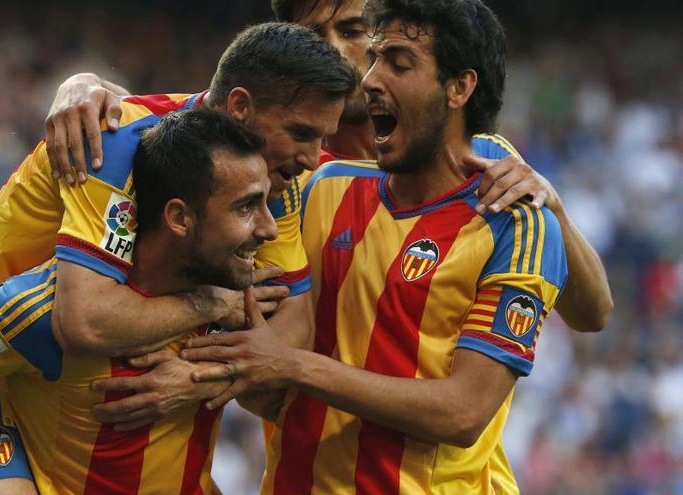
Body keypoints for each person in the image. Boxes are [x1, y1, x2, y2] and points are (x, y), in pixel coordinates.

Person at [0, 22, 356, 494]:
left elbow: (291, 328)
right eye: (301, 133)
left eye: (321, 138)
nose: (311, 157)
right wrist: (215, 304)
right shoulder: (117, 140)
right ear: (239, 106)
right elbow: (85, 320)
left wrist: (203, 377)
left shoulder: (265, 180)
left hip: (46, 368)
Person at [178, 1, 575, 492]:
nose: (367, 78)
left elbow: (464, 412)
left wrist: (291, 366)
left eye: (398, 63)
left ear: (459, 87)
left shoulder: (516, 213)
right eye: (376, 59)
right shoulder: (319, 186)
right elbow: (262, 365)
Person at [48, 0, 612, 335]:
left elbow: (592, 314)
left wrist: (553, 208)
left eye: (351, 31)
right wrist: (84, 88)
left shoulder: (478, 161)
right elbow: (169, 119)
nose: (335, 52)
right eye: (314, 35)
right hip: (306, 461)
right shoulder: (259, 167)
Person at [0, 108, 277, 494]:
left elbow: (281, 392)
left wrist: (209, 377)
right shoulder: (42, 309)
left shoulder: (241, 290)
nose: (269, 228)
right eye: (246, 207)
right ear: (179, 218)